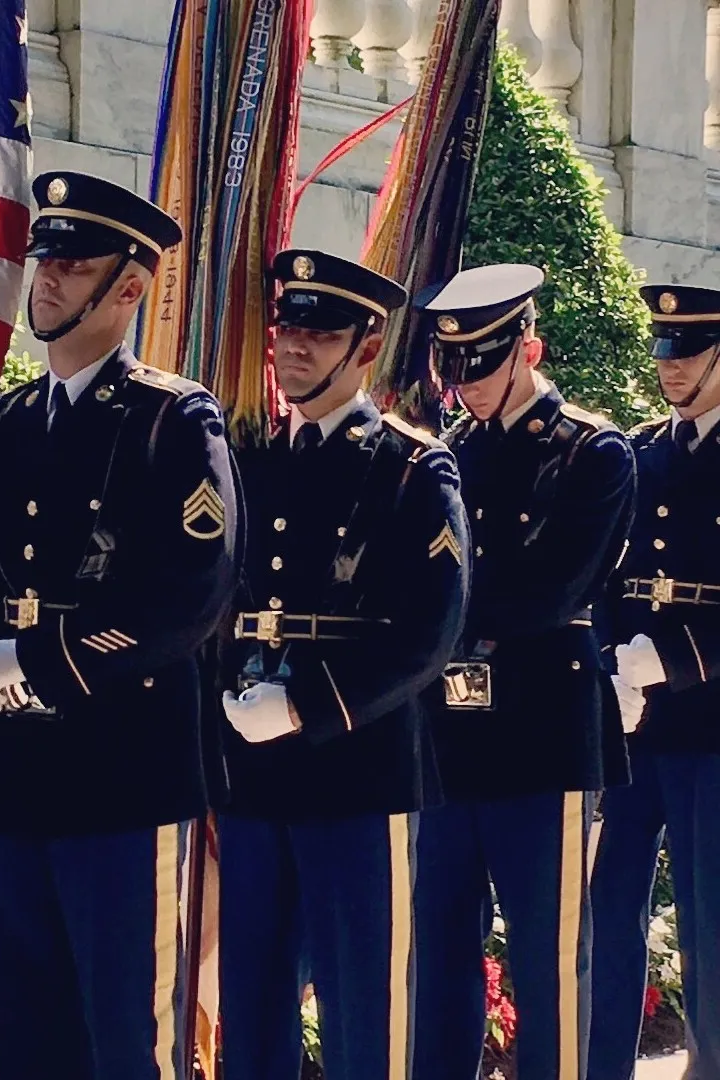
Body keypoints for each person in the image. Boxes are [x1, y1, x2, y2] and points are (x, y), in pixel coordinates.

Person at [0, 170, 239, 1080]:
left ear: (128, 288)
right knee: (33, 1037)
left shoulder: (172, 419)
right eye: (43, 259)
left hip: (125, 780)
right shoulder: (11, 422)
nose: (46, 277)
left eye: (72, 263)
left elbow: (192, 593)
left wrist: (41, 660)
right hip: (18, 777)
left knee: (130, 1037)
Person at [215, 248, 469, 1080]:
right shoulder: (254, 459)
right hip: (254, 776)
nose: (294, 344)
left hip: (359, 769)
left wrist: (307, 708)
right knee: (251, 1005)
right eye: (288, 326)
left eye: (320, 332)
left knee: (366, 1006)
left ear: (366, 345)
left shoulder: (411, 466)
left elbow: (429, 632)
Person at [409, 264, 636, 1080]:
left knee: (548, 961)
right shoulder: (448, 453)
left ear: (528, 349)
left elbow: (555, 588)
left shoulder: (591, 451)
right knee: (437, 955)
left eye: (482, 365)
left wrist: (441, 615)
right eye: (453, 366)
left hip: (543, 738)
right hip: (450, 739)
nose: (465, 384)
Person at [589, 283, 720, 1080]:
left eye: (690, 353)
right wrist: (611, 661)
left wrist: (673, 662)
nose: (672, 367)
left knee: (708, 922)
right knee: (607, 909)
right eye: (664, 351)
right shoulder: (640, 452)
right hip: (633, 719)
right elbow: (603, 572)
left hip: (710, 721)